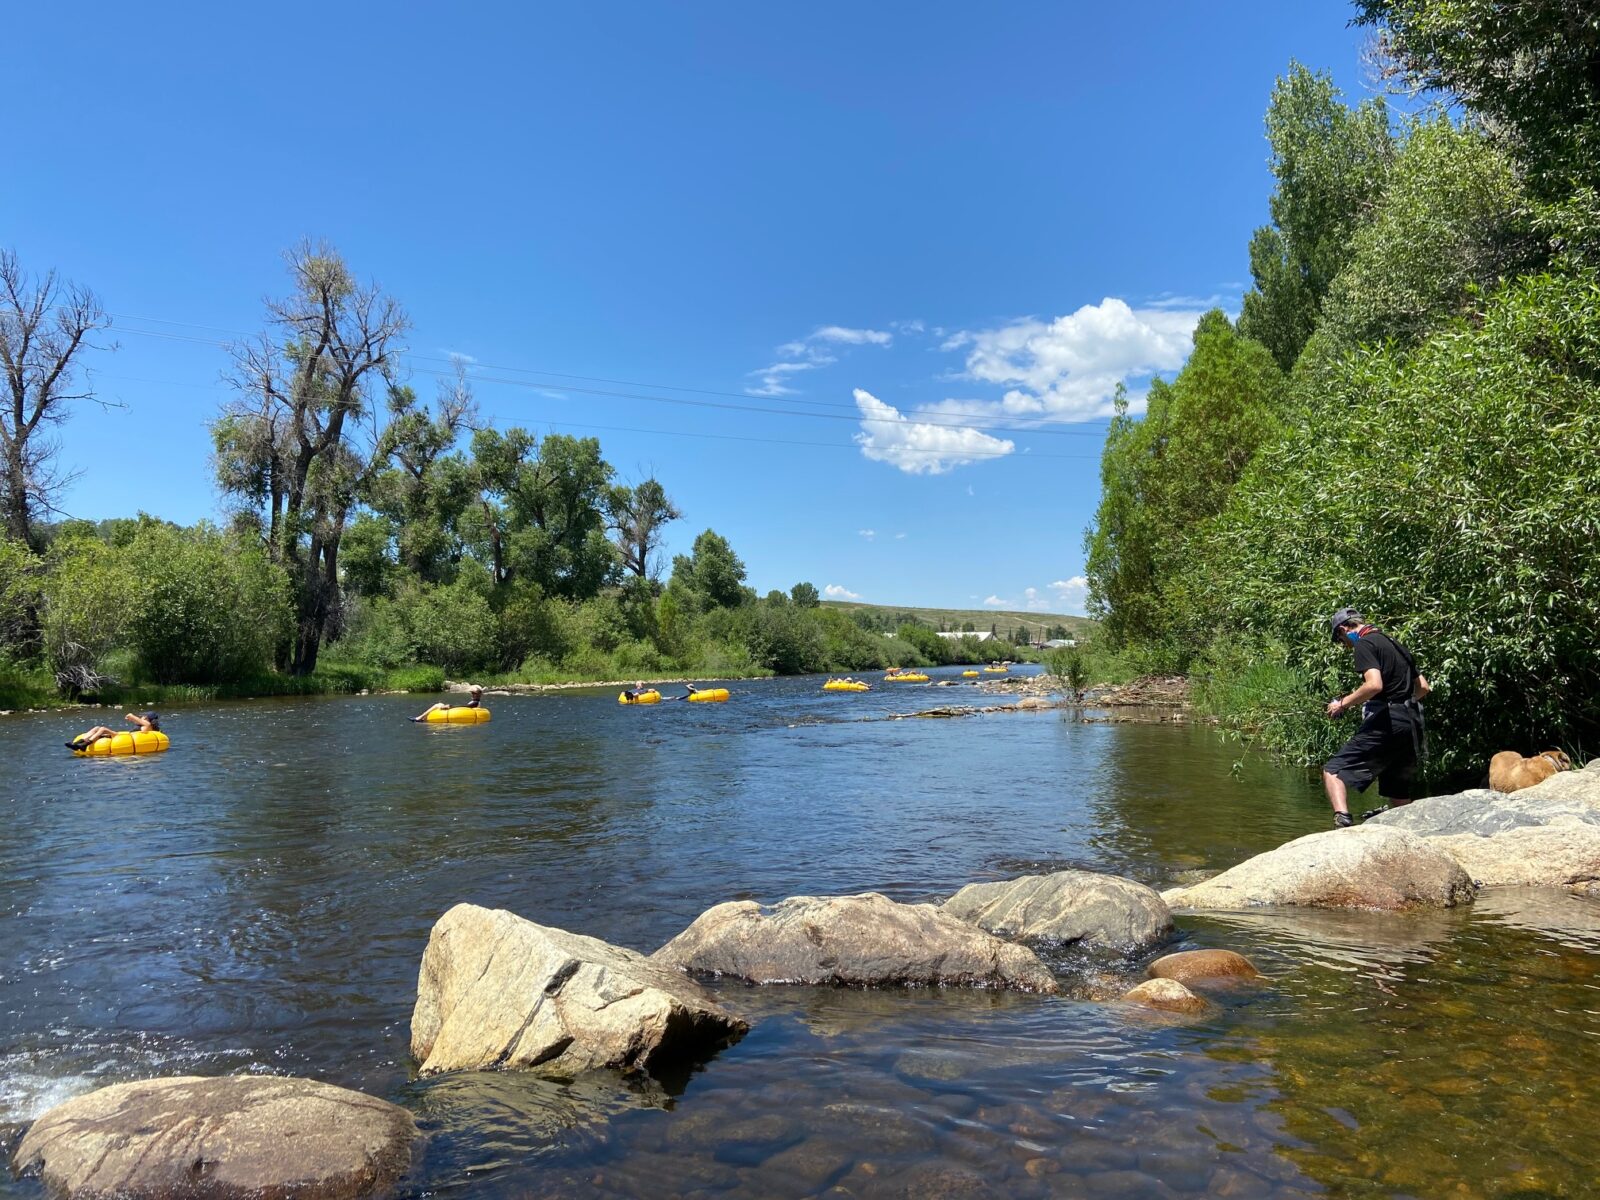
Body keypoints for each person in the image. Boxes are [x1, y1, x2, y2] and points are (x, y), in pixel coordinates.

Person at [1322, 608, 1431, 828]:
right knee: (1397, 791)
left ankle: (1342, 822)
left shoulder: (1365, 643)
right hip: (1410, 723)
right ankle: (1410, 831)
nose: (1345, 645)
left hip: (1387, 721)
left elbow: (1374, 684)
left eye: (1341, 640)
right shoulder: (1395, 644)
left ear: (1344, 629)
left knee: (1333, 770)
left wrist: (1342, 704)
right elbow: (1424, 688)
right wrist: (1400, 704)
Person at [69, 711, 159, 749]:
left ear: (147, 718)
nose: (141, 717)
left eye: (144, 716)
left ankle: (85, 744)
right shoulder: (143, 724)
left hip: (124, 739)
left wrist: (132, 716)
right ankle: (77, 743)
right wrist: (132, 719)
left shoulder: (148, 726)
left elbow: (146, 725)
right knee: (97, 728)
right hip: (123, 736)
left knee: (103, 729)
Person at [414, 685, 483, 722]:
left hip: (461, 714)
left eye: (474, 693)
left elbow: (465, 707)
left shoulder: (475, 702)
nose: (473, 695)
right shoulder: (475, 702)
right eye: (472, 693)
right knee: (439, 705)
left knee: (438, 705)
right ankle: (423, 718)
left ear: (479, 694)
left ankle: (420, 718)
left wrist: (450, 706)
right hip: (461, 712)